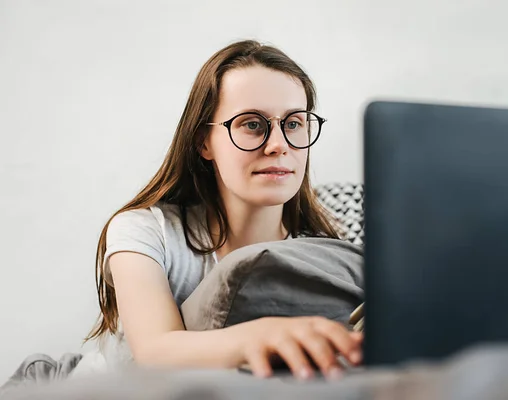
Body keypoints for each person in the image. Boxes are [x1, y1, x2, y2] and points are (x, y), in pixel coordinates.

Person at [84, 39, 363, 381]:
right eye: (252, 124)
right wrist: (261, 335)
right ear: (204, 142)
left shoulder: (325, 253)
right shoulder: (145, 231)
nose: (278, 146)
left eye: (293, 124)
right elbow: (154, 352)